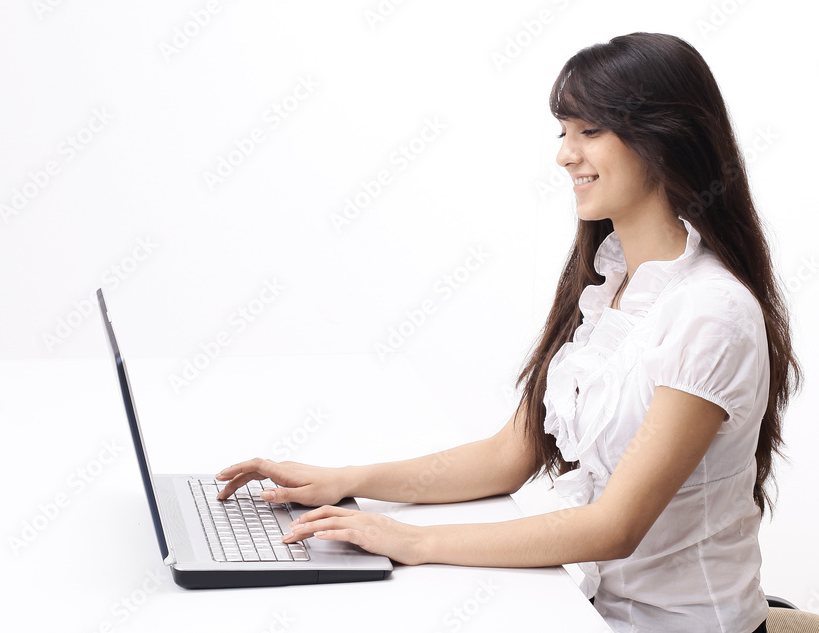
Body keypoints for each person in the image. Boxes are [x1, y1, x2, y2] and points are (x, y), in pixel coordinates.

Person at [216, 32, 801, 633]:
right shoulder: (612, 283)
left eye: (589, 131)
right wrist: (346, 482)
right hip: (592, 612)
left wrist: (412, 541)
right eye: (563, 132)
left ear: (665, 139)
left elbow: (614, 528)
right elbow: (509, 454)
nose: (565, 155)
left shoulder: (710, 311)